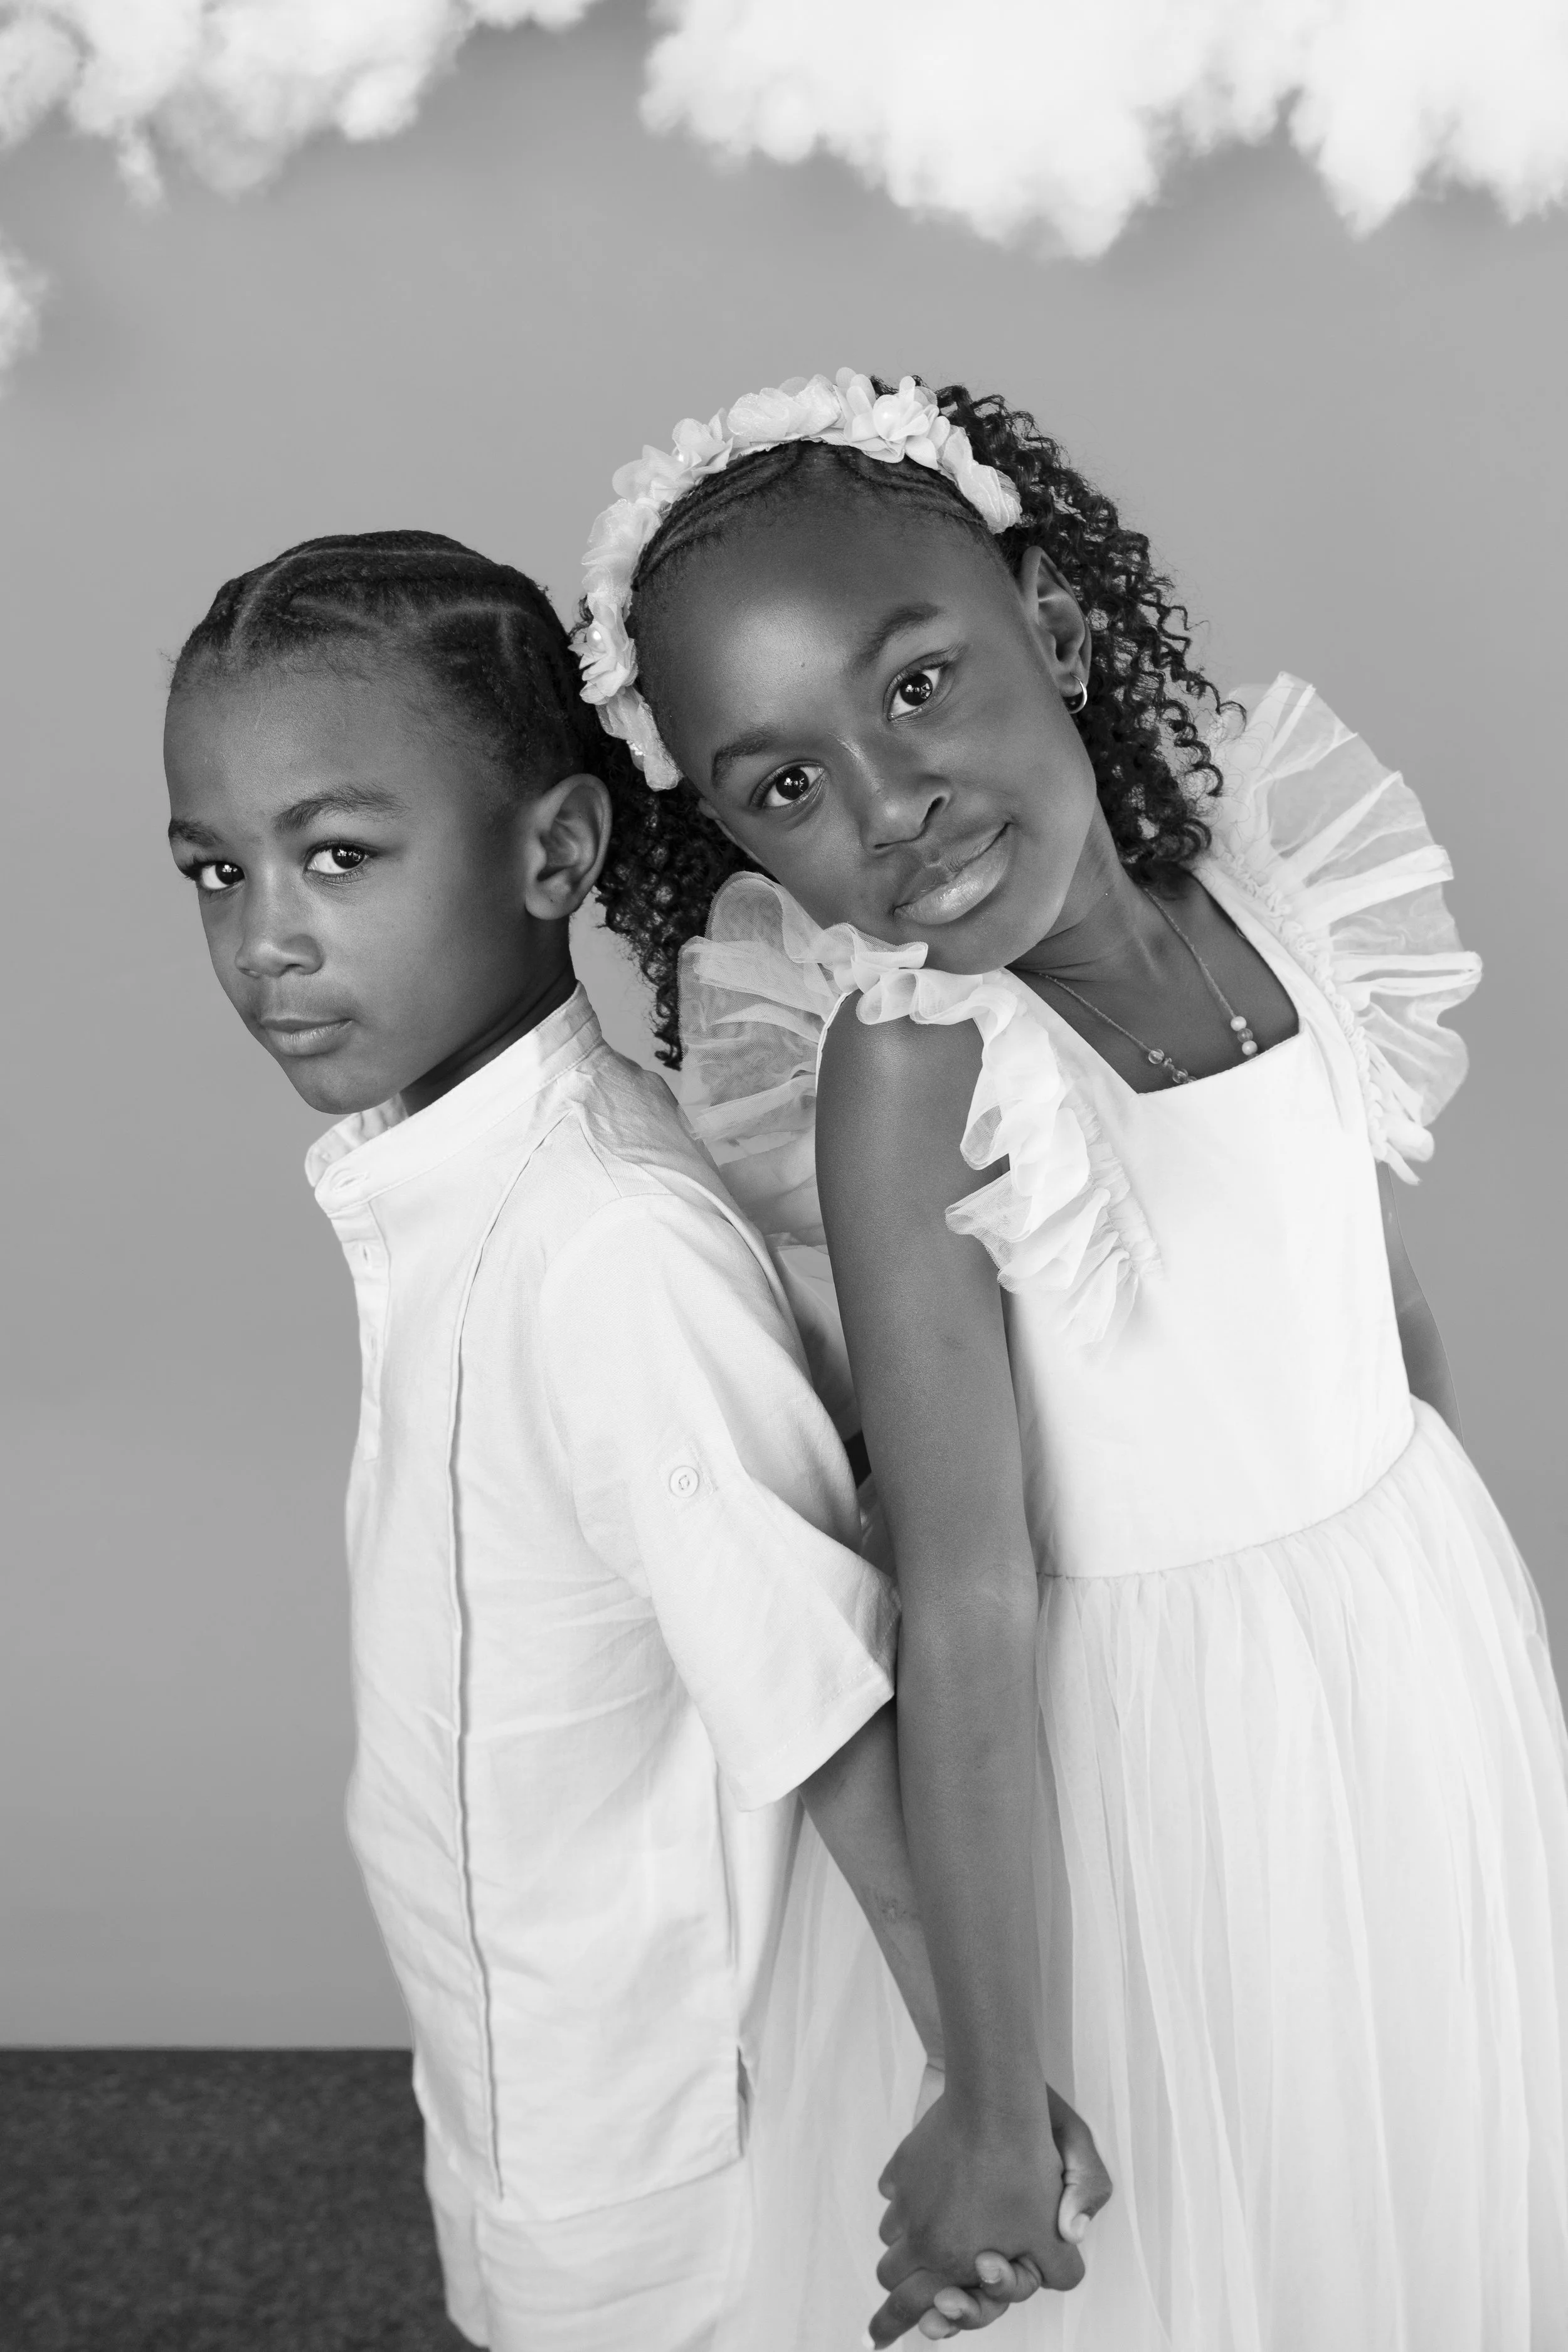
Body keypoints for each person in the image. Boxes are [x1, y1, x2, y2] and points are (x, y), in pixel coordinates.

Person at [571, 371, 1568, 2349]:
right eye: (785, 786)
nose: (887, 804)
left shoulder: (1268, 898)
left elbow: (1380, 1316)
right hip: (1142, 1767)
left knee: (1392, 2173)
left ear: (1057, 621)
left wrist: (1455, 1683)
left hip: (1394, 1676)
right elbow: (958, 1584)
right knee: (1214, 2240)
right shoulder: (916, 1069)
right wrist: (992, 2087)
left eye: (918, 685)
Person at [161, 529, 1106, 2352]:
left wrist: (994, 2107)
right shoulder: (442, 1189)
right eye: (218, 866)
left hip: (657, 2163)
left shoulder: (604, 1249)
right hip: (524, 2071)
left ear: (556, 854)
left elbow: (822, 1698)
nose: (267, 932)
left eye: (339, 855)